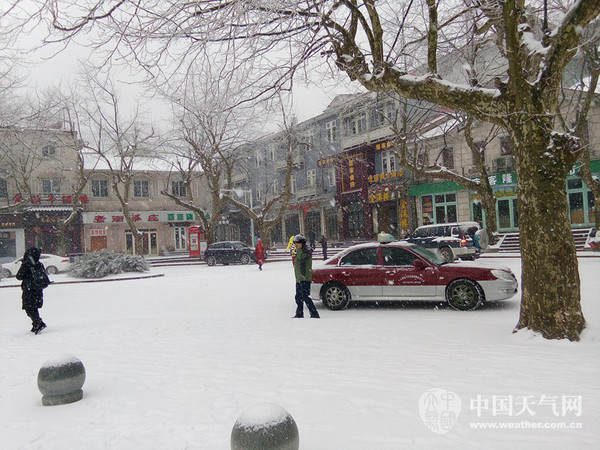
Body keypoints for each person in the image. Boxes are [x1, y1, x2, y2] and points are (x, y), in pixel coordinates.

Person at [16, 247, 51, 334]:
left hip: (29, 289)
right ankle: (37, 322)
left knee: (29, 308)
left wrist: (23, 265)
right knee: (33, 307)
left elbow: (19, 276)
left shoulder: (26, 264)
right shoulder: (39, 264)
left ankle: (37, 323)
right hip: (38, 288)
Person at [291, 234, 320, 319]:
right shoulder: (299, 251)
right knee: (298, 297)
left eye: (298, 243)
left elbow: (300, 259)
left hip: (305, 277)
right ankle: (299, 313)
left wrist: (298, 251)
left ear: (302, 243)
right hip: (299, 278)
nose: (296, 245)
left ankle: (314, 313)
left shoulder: (306, 252)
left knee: (305, 296)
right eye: (295, 243)